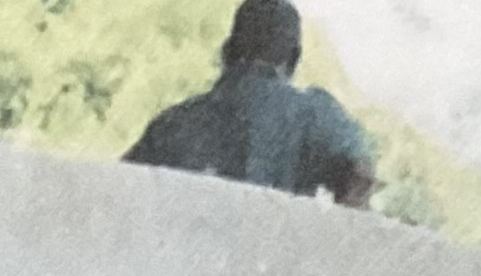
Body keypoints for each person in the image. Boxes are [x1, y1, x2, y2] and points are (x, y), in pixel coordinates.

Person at [125, 0, 375, 206]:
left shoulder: (170, 126)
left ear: (227, 51)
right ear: (294, 59)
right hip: (272, 250)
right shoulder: (315, 119)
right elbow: (359, 176)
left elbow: (121, 193)